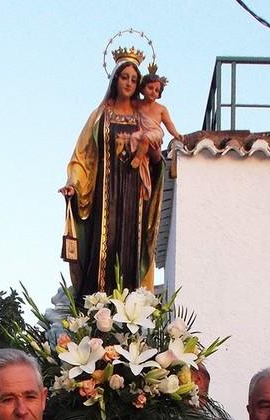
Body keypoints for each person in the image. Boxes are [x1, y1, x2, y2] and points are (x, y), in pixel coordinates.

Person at [59, 52, 164, 300]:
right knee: (103, 249)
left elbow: (157, 160)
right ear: (115, 79)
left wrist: (157, 158)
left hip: (134, 196)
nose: (128, 83)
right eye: (124, 77)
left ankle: (129, 309)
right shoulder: (100, 116)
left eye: (133, 79)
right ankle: (97, 307)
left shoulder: (143, 117)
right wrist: (73, 184)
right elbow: (82, 157)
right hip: (105, 196)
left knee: (131, 249)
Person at [130, 69, 183, 199]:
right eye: (150, 88)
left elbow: (168, 123)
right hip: (141, 132)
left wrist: (176, 133)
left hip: (155, 133)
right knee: (133, 137)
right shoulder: (137, 104)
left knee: (146, 138)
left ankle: (137, 159)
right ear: (142, 89)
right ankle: (139, 161)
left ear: (159, 94)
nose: (153, 92)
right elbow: (124, 105)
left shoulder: (161, 109)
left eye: (156, 90)